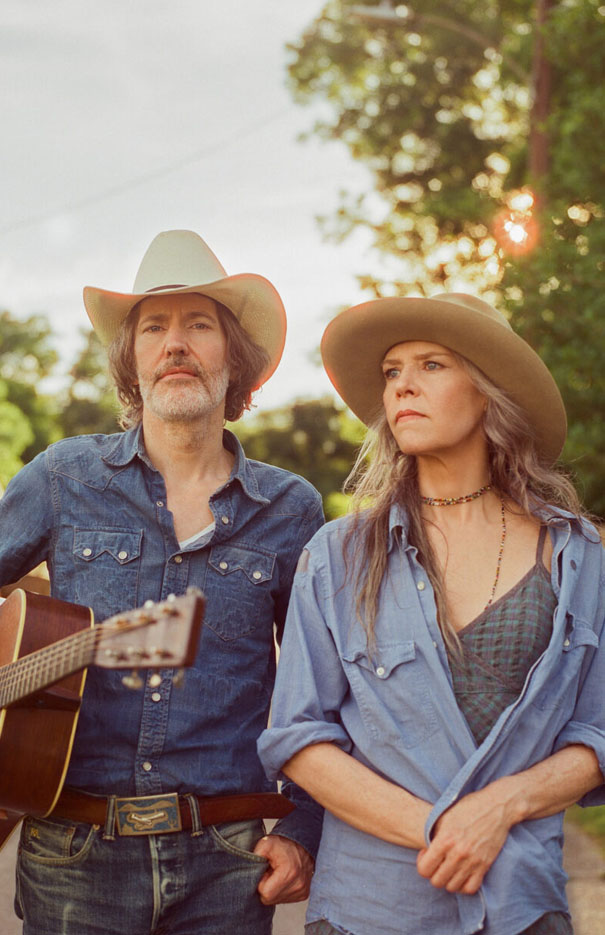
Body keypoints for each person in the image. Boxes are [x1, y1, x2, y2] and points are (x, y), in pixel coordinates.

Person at [0, 230, 324, 935]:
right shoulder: (62, 477)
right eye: (155, 327)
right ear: (133, 359)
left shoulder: (290, 507)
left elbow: (320, 681)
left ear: (232, 359)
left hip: (227, 857)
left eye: (198, 325)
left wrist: (302, 823)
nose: (175, 343)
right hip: (71, 854)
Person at [258, 293, 605, 935]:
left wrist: (501, 807)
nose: (403, 387)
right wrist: (440, 828)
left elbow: (598, 734)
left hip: (522, 906)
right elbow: (299, 738)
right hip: (371, 909)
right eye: (392, 372)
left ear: (488, 394)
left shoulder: (577, 555)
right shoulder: (336, 557)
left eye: (432, 365)